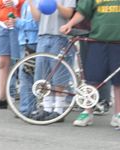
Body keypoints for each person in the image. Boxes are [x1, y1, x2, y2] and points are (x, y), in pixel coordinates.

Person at [60, 0, 120, 129]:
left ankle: (118, 114)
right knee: (92, 78)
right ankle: (88, 112)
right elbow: (82, 11)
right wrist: (70, 24)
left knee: (118, 81)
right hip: (97, 40)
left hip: (118, 42)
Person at [27, 0, 75, 121]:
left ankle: (59, 110)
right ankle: (47, 108)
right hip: (43, 35)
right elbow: (37, 17)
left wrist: (56, 4)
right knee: (44, 74)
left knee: (59, 74)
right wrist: (31, 2)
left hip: (60, 36)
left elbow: (68, 13)